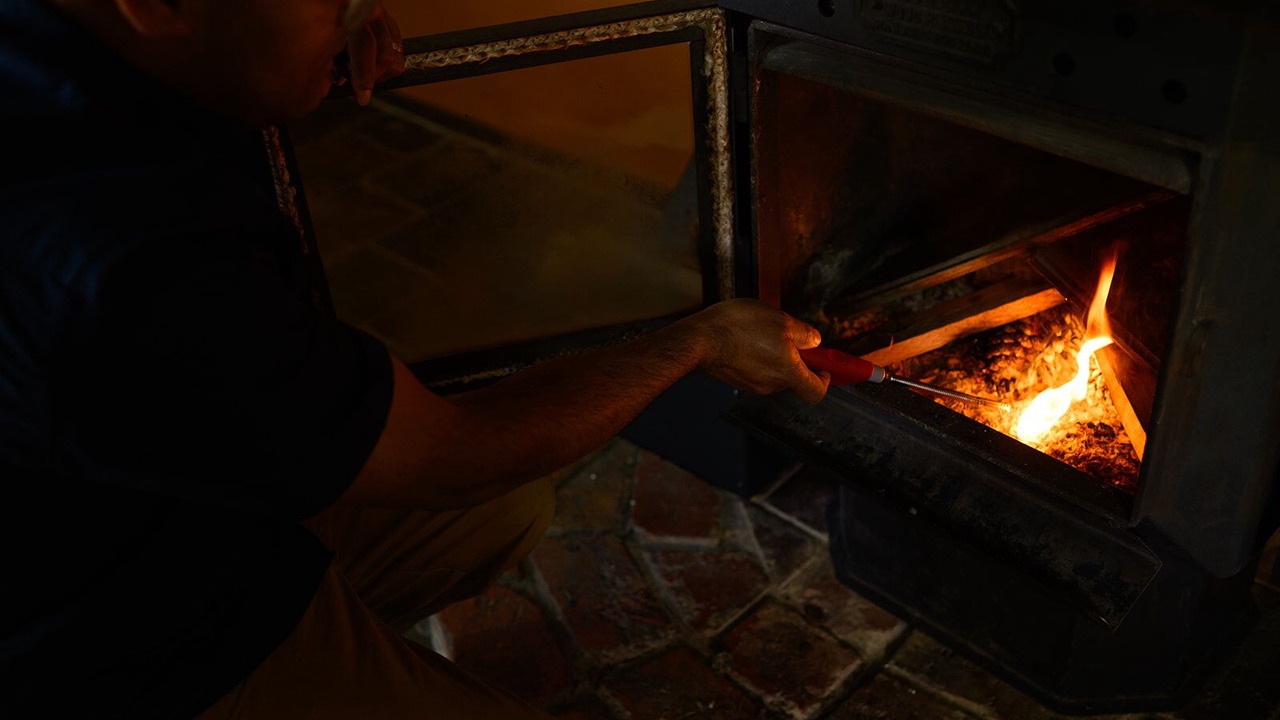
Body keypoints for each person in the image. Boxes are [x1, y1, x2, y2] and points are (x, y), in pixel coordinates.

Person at [0, 0, 830, 717]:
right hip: (110, 657)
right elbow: (452, 456)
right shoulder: (127, 254)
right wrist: (696, 340)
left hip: (159, 507)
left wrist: (299, 48)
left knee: (506, 507)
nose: (368, 12)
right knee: (477, 484)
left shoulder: (70, 50)